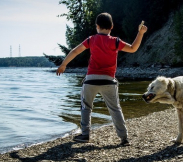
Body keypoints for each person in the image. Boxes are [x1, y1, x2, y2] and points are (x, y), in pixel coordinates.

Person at [56, 12, 147, 146]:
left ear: (97, 26)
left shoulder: (91, 39)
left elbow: (75, 51)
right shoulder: (115, 41)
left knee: (86, 107)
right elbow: (133, 48)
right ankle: (124, 138)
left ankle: (85, 135)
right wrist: (140, 33)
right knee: (115, 109)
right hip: (109, 81)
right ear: (112, 27)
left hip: (91, 80)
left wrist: (64, 64)